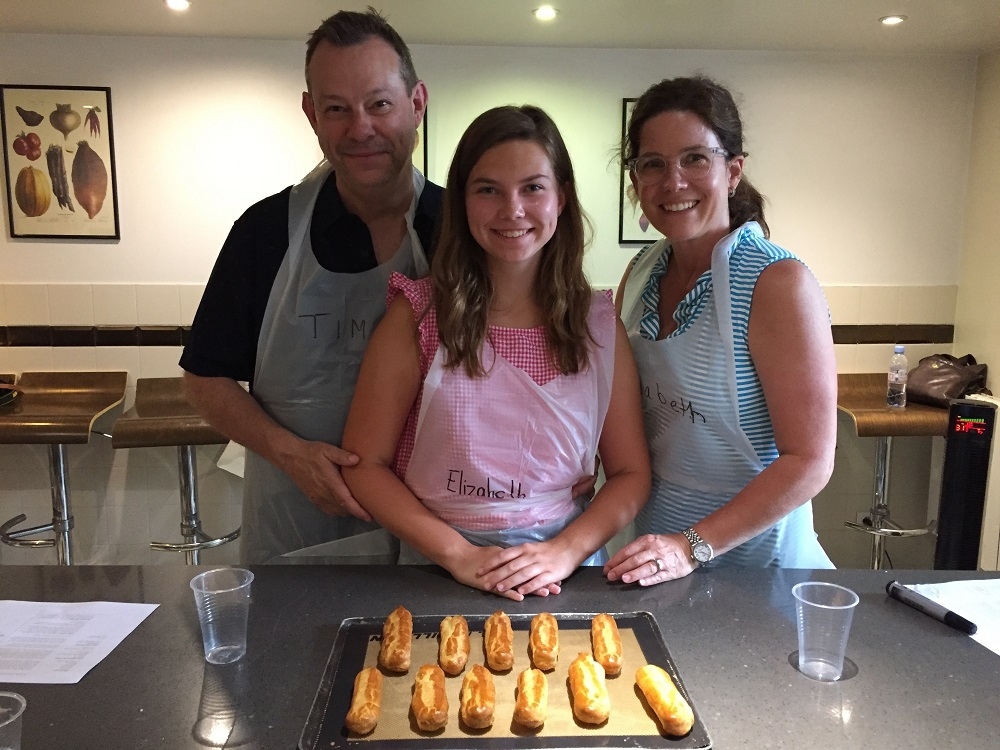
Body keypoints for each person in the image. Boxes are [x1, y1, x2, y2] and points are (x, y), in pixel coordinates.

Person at [342, 105, 651, 601]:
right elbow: (364, 464)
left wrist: (566, 550)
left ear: (562, 199)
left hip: (562, 576)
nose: (513, 210)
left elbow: (631, 474)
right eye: (488, 189)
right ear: (462, 202)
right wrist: (459, 554)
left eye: (533, 187)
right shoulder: (418, 317)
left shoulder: (597, 325)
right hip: (435, 568)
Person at [179, 8, 442, 564]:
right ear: (310, 114)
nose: (360, 128)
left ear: (416, 103)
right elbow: (205, 378)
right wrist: (291, 453)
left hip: (433, 533)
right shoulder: (265, 231)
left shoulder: (458, 229)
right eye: (337, 109)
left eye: (379, 104)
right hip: (293, 527)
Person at [604, 76, 837, 586]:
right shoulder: (640, 272)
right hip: (653, 559)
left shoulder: (777, 283)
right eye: (653, 164)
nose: (673, 182)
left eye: (694, 159)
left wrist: (692, 546)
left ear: (733, 170)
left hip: (757, 572)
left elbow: (810, 460)